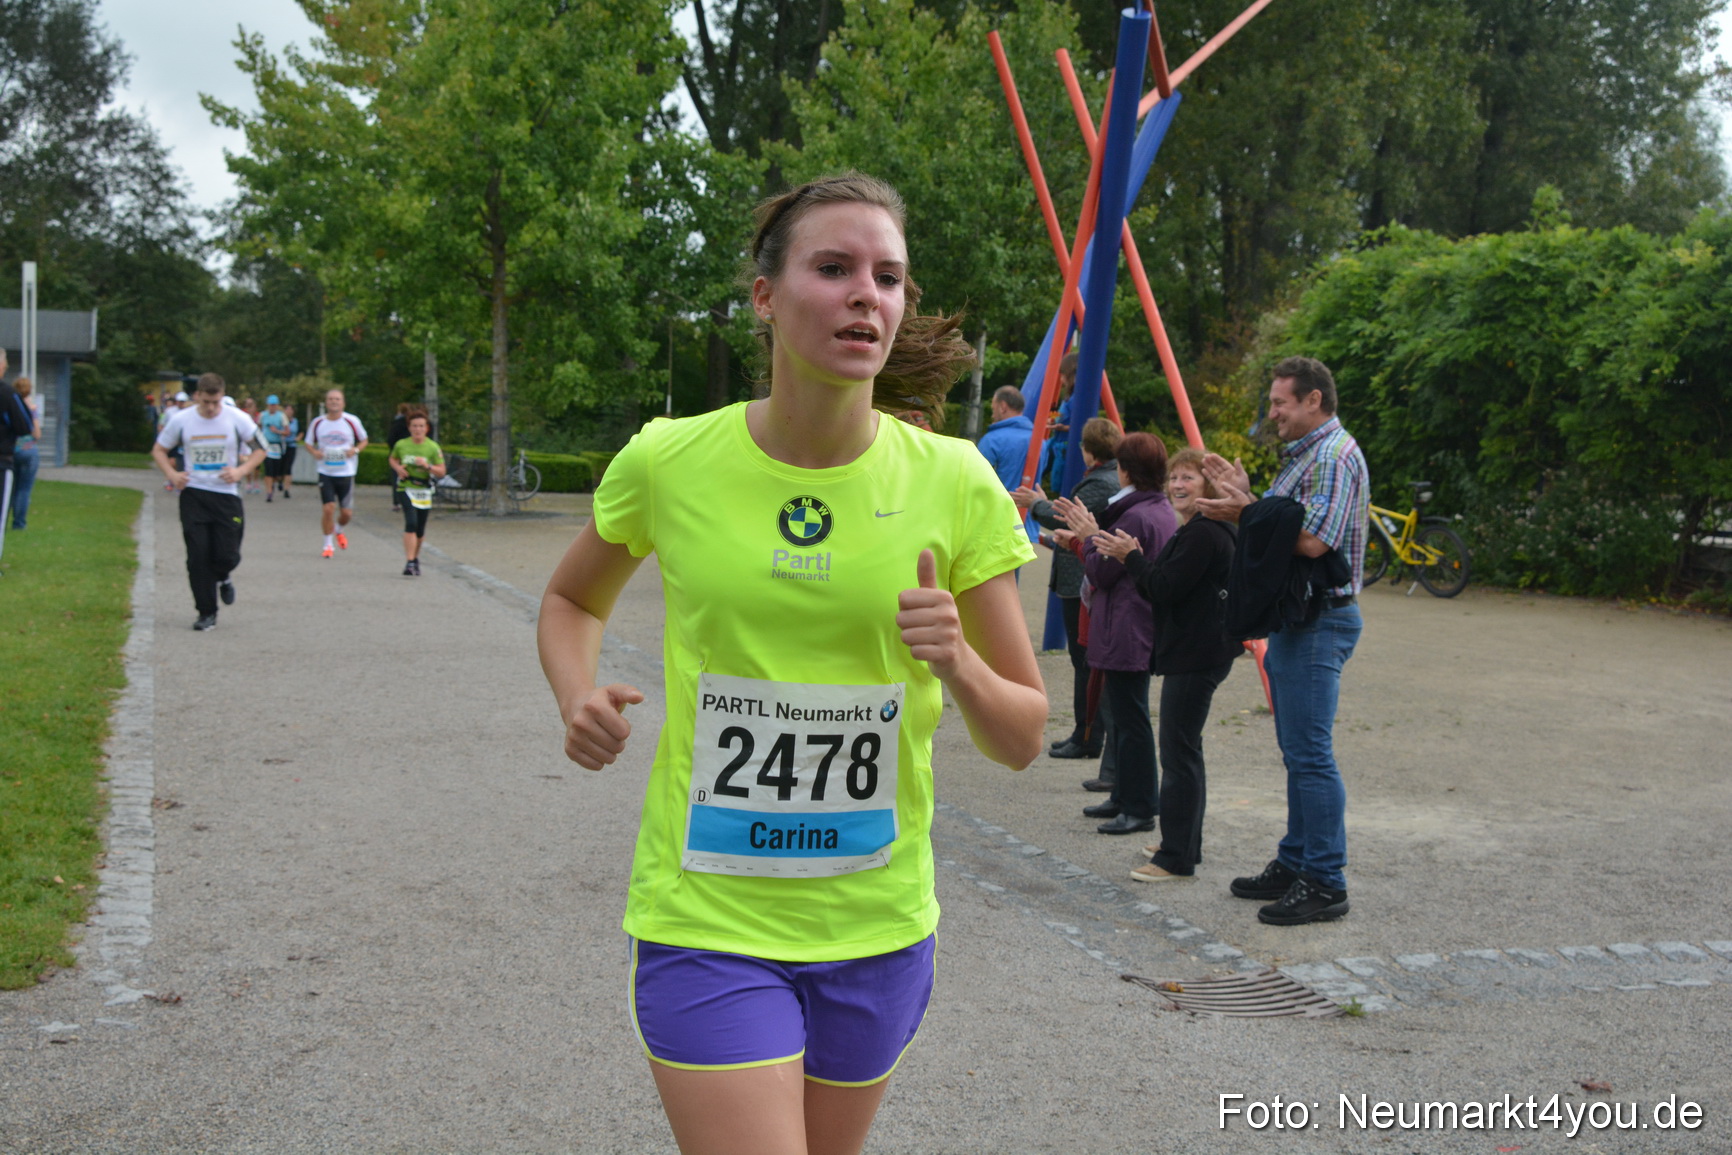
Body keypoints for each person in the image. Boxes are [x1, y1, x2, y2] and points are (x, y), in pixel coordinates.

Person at [537, 173, 1044, 1155]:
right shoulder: (668, 460)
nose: (869, 295)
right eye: (835, 268)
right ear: (765, 295)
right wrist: (576, 692)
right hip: (708, 911)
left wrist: (959, 666)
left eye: (889, 277)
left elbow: (1023, 734)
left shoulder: (955, 482)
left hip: (878, 923)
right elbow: (569, 600)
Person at [1197, 355, 1368, 925]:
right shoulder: (1307, 457)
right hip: (1301, 620)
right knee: (1299, 753)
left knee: (1310, 754)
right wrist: (1248, 499)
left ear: (1313, 400)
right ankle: (1297, 860)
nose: (1272, 414)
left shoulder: (1333, 456)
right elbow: (1280, 520)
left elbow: (1314, 540)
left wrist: (1247, 508)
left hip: (1321, 621)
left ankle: (1325, 879)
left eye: (1280, 403)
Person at [1092, 447, 1240, 881]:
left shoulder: (1204, 532)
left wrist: (1129, 556)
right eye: (1174, 478)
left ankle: (1176, 857)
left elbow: (1163, 587)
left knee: (1178, 754)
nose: (1178, 486)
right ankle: (1182, 840)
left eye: (1188, 479)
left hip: (1196, 654)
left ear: (1208, 485)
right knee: (1186, 751)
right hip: (1201, 651)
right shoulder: (1201, 527)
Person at [1053, 432, 1176, 836]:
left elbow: (1102, 570)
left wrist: (1087, 537)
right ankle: (1124, 795)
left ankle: (1139, 806)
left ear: (1125, 469)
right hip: (1132, 623)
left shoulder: (1136, 515)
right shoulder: (1156, 508)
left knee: (1131, 719)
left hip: (1126, 625)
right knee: (1125, 718)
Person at [1012, 416, 1121, 765]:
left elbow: (1067, 519)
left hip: (1081, 580)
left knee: (1085, 662)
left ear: (1089, 450)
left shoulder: (1099, 484)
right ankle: (1085, 732)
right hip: (1079, 575)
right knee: (1083, 662)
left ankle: (1087, 735)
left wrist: (1036, 504)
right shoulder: (1104, 479)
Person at [150, 373, 266, 630]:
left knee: (227, 555)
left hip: (226, 496)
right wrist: (171, 474)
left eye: (216, 402)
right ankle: (206, 612)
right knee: (197, 557)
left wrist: (240, 471)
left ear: (222, 396)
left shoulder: (238, 418)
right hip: (194, 494)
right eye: (206, 402)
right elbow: (159, 450)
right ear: (198, 397)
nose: (212, 408)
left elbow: (261, 449)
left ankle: (224, 575)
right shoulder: (182, 420)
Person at [304, 388, 369, 558]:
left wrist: (354, 450)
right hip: (325, 471)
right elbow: (308, 443)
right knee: (328, 508)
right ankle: (328, 545)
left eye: (337, 399)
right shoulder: (318, 422)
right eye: (331, 399)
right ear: (326, 403)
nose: (334, 402)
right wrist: (314, 452)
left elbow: (364, 440)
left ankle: (339, 530)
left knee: (346, 513)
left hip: (346, 471)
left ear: (343, 403)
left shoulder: (351, 421)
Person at [976, 385, 1037, 544]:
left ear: (1003, 407)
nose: (992, 413)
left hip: (996, 524)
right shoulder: (1039, 441)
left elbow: (976, 481)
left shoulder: (992, 440)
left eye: (993, 407)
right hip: (1027, 523)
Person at [388, 410, 445, 575]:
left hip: (424, 490)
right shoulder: (402, 445)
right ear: (409, 427)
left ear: (426, 428)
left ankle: (415, 557)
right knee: (411, 523)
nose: (417, 429)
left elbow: (441, 471)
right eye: (414, 426)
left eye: (421, 426)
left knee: (420, 530)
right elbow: (393, 458)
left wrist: (428, 466)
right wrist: (398, 468)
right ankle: (410, 562)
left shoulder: (432, 447)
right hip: (405, 487)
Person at [9, 375, 41, 531]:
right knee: (24, 490)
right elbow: (36, 434)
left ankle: (3, 522)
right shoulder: (31, 408)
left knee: (10, 489)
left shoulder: (11, 405)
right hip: (29, 451)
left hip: (12, 451)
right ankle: (19, 523)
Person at [258, 395, 291, 502]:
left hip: (277, 445)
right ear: (267, 405)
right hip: (266, 445)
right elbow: (257, 428)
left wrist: (277, 431)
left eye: (274, 405)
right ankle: (269, 492)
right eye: (271, 405)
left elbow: (287, 432)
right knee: (268, 469)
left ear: (277, 406)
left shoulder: (281, 416)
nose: (272, 407)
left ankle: (277, 482)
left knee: (277, 472)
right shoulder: (262, 415)